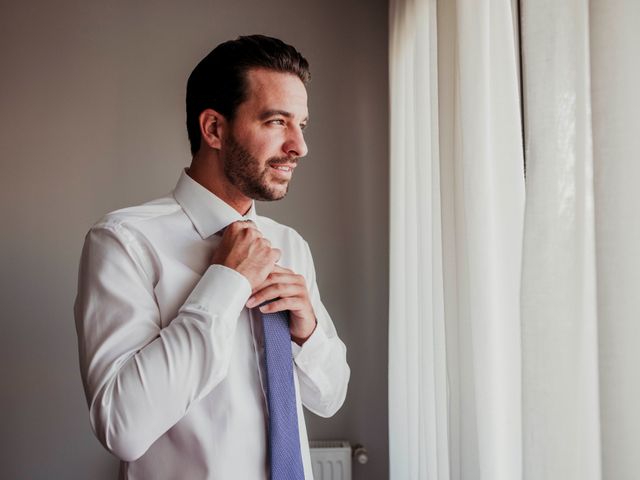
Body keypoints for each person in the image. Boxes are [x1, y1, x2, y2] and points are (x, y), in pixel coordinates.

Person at [74, 34, 350, 479]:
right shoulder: (125, 240)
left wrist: (308, 333)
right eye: (277, 122)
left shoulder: (290, 244)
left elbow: (329, 397)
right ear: (214, 129)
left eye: (302, 124)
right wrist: (224, 283)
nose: (299, 146)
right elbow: (122, 427)